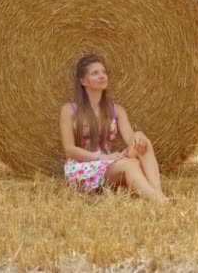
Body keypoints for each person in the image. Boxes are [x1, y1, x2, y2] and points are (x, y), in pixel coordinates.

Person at [60, 54, 168, 204]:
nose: (102, 76)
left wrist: (138, 135)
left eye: (104, 72)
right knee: (131, 164)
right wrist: (102, 157)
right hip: (82, 167)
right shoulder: (69, 110)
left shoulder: (116, 110)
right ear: (83, 81)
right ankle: (161, 202)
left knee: (144, 144)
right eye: (95, 73)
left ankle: (158, 194)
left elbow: (130, 138)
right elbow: (70, 150)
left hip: (111, 164)